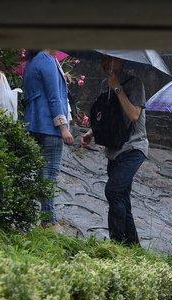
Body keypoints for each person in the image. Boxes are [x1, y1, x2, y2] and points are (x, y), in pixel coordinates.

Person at [80, 56, 149, 246]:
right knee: (122, 198)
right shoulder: (105, 84)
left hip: (134, 148)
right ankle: (133, 246)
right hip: (113, 149)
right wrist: (92, 132)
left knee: (113, 191)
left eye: (110, 60)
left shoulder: (135, 83)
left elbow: (134, 115)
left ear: (121, 60)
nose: (105, 64)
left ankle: (116, 243)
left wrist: (117, 87)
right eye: (103, 59)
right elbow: (107, 116)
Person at [23, 49, 73, 229]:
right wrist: (63, 127)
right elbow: (54, 98)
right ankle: (49, 222)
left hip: (34, 123)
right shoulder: (47, 60)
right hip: (49, 127)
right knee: (49, 176)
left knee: (40, 175)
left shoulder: (34, 60)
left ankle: (41, 219)